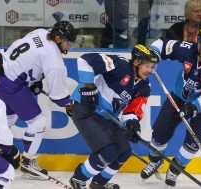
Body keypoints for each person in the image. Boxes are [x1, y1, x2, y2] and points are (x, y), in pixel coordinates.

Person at [140, 27, 201, 187]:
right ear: (199, 45)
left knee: (193, 143)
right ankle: (156, 160)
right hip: (180, 97)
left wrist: (192, 108)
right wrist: (152, 56)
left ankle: (174, 170)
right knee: (160, 131)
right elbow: (161, 43)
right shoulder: (187, 50)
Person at [0, 20, 77, 180]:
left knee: (10, 117)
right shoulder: (54, 60)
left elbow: (29, 58)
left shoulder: (41, 32)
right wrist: (70, 104)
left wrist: (34, 80)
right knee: (39, 123)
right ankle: (28, 163)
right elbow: (59, 97)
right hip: (12, 84)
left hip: (0, 74)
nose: (69, 47)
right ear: (58, 39)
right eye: (68, 43)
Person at [68, 44, 159, 189]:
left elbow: (132, 111)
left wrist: (132, 125)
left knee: (124, 152)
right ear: (136, 62)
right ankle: (78, 179)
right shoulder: (120, 65)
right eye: (147, 65)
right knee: (108, 152)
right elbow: (84, 60)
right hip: (86, 109)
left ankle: (98, 184)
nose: (150, 70)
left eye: (152, 66)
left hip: (107, 117)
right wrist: (89, 88)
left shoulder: (144, 86)